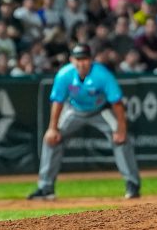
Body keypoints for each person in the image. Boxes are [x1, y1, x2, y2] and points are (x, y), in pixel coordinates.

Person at [27, 43, 141, 200]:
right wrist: (52, 128)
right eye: (78, 59)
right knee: (51, 139)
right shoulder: (64, 74)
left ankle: (132, 184)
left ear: (91, 60)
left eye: (85, 59)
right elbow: (58, 102)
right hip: (74, 110)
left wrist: (121, 128)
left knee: (121, 140)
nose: (82, 63)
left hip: (101, 111)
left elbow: (117, 102)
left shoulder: (102, 74)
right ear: (72, 60)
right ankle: (46, 187)